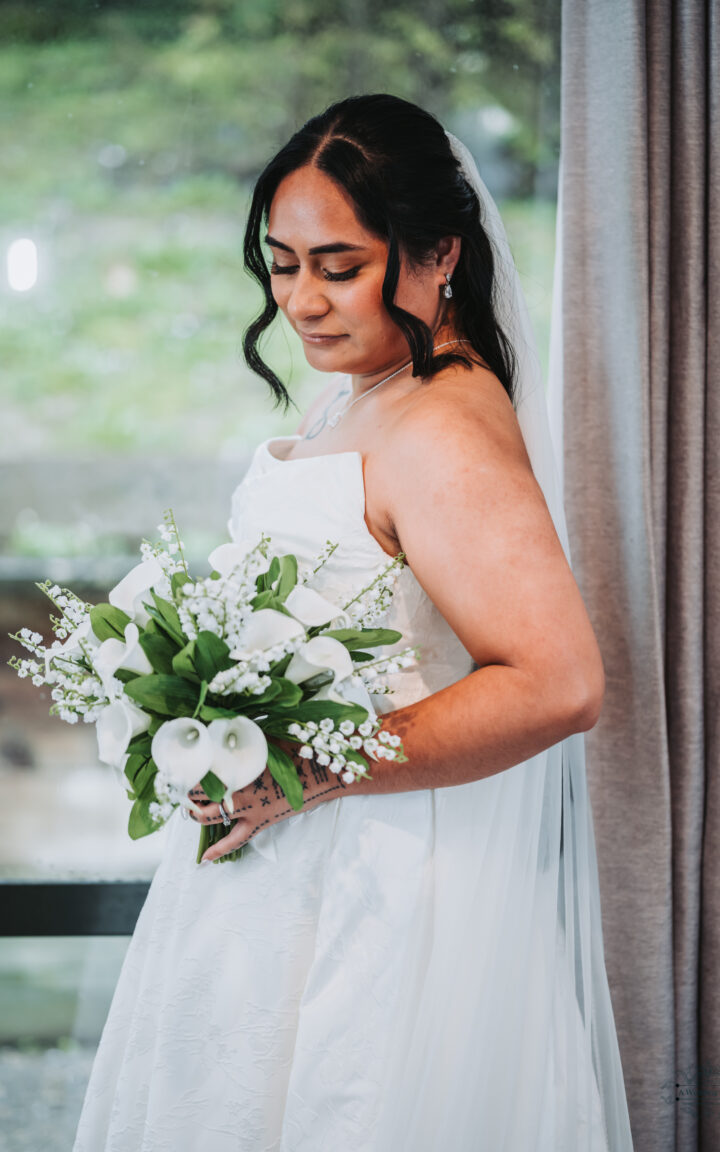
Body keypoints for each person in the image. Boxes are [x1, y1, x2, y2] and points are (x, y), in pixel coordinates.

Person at [73, 93, 634, 1151]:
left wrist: (303, 767)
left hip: (377, 900)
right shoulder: (367, 393)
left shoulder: (444, 422)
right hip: (294, 876)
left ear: (438, 255)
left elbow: (560, 683)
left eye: (339, 265)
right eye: (282, 263)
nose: (300, 301)